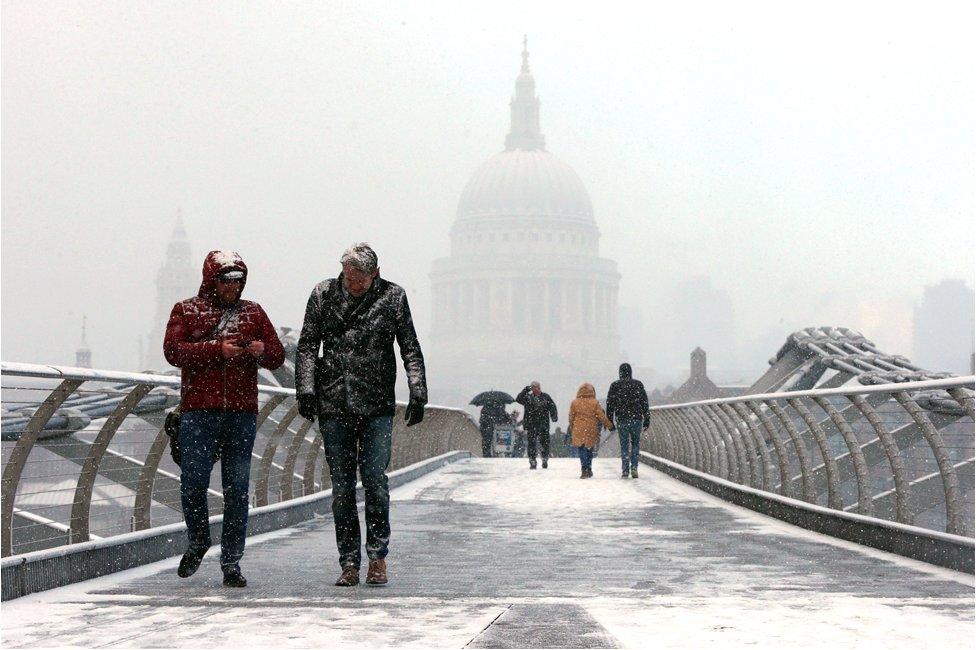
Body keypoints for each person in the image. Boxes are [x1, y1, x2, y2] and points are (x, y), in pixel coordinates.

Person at [295, 242, 427, 587]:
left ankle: (377, 556)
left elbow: (409, 347)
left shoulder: (393, 296)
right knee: (341, 488)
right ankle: (349, 561)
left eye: (361, 281)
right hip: (335, 403)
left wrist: (418, 391)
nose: (354, 286)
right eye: (350, 278)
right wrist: (306, 390)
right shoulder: (323, 294)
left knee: (375, 482)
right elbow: (307, 345)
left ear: (376, 275)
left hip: (377, 404)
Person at [164, 250, 285, 587]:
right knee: (193, 485)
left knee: (237, 491)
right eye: (226, 280)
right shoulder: (186, 310)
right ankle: (199, 540)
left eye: (238, 280)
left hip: (241, 414)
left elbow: (278, 356)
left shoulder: (253, 312)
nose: (233, 287)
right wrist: (217, 350)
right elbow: (173, 352)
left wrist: (261, 350)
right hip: (198, 413)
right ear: (211, 279)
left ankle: (231, 562)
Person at [605, 363, 651, 479]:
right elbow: (644, 403)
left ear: (620, 372)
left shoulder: (615, 385)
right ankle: (634, 467)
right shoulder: (638, 385)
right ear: (630, 372)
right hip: (636, 419)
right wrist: (646, 419)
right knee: (635, 444)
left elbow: (610, 404)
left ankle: (625, 470)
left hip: (622, 419)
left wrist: (610, 420)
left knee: (624, 445)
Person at [568, 383, 614, 479]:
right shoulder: (594, 402)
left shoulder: (574, 402)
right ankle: (588, 468)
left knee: (581, 448)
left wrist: (573, 427)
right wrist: (609, 425)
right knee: (589, 449)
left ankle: (584, 468)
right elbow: (601, 416)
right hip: (591, 428)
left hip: (578, 428)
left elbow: (571, 417)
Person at [516, 381, 558, 469]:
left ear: (539, 388)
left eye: (535, 387)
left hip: (543, 424)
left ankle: (545, 459)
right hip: (531, 424)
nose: (534, 389)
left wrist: (554, 416)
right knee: (531, 443)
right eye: (532, 387)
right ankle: (532, 460)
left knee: (545, 443)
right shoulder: (528, 397)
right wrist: (525, 390)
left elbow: (552, 406)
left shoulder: (545, 397)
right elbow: (518, 399)